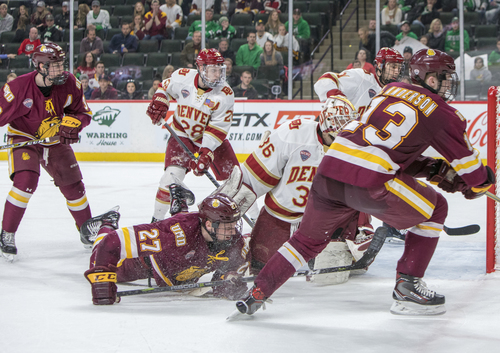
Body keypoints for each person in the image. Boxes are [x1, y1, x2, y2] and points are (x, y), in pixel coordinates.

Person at [236, 49, 495, 317]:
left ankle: (258, 292)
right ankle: (408, 287)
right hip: (371, 182)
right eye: (445, 78)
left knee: (306, 242)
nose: (448, 84)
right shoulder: (443, 113)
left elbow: (389, 150)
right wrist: (477, 182)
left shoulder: (388, 91)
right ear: (429, 78)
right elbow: (473, 173)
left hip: (329, 173)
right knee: (437, 207)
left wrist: (433, 170)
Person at [242, 97, 374, 280]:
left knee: (334, 275)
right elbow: (253, 176)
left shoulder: (353, 147)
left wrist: (361, 227)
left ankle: (354, 237)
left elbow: (361, 191)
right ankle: (249, 241)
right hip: (281, 216)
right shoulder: (292, 134)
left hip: (322, 221)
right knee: (259, 268)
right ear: (325, 124)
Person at [0, 43, 94, 260]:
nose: (60, 69)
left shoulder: (70, 82)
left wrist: (75, 123)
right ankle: (7, 233)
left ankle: (87, 230)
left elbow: (83, 112)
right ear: (40, 65)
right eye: (54, 65)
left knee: (74, 187)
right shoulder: (17, 88)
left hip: (54, 138)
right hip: (24, 138)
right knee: (25, 182)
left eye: (61, 64)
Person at [83, 191, 250, 305]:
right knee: (96, 260)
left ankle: (180, 203)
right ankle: (107, 222)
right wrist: (102, 279)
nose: (233, 231)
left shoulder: (232, 239)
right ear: (209, 224)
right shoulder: (175, 232)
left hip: (176, 266)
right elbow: (111, 243)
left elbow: (228, 270)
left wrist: (229, 278)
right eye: (227, 226)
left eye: (234, 224)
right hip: (146, 262)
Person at [146, 48, 239, 223]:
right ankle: (155, 221)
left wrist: (206, 152)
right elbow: (164, 87)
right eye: (213, 69)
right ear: (201, 68)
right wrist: (160, 99)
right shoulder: (182, 76)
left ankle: (255, 221)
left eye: (220, 69)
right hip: (182, 136)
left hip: (212, 141)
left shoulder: (225, 94)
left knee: (235, 181)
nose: (218, 74)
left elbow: (217, 128)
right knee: (169, 178)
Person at [315, 47, 403, 116]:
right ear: (380, 65)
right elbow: (326, 79)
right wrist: (338, 99)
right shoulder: (361, 77)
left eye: (399, 68)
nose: (396, 71)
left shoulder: (396, 94)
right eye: (393, 67)